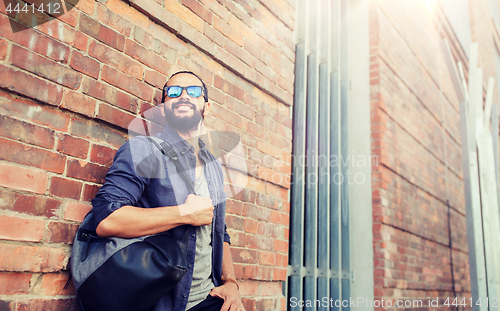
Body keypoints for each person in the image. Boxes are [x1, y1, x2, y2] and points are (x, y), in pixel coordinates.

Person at [91, 71, 246, 311]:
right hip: (159, 302)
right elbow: (107, 220)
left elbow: (220, 231)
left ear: (207, 106)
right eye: (174, 92)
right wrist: (185, 214)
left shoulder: (214, 165)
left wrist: (232, 283)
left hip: (209, 298)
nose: (183, 96)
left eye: (193, 92)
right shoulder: (143, 149)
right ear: (163, 108)